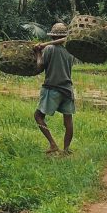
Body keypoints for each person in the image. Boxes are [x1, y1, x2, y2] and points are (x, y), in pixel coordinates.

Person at [34, 21, 75, 155]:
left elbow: (40, 66)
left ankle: (52, 144)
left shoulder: (49, 49)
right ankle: (66, 150)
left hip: (52, 88)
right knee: (68, 121)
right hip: (67, 90)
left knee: (38, 115)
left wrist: (38, 53)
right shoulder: (70, 52)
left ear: (52, 37)